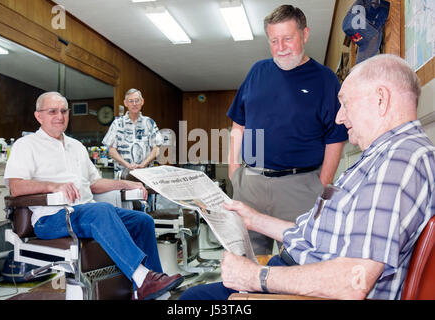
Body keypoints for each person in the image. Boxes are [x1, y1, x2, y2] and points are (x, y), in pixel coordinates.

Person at [181, 54, 435, 300]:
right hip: (298, 273)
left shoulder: (399, 161)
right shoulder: (385, 156)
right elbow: (321, 238)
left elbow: (353, 280)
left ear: (381, 99)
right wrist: (253, 219)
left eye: (345, 104)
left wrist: (255, 276)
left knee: (192, 299)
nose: (339, 116)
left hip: (304, 290)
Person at [4, 91, 183, 300]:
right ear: (38, 116)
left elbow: (94, 183)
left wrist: (124, 183)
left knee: (141, 221)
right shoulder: (26, 146)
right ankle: (143, 278)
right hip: (51, 218)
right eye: (52, 111)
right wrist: (53, 186)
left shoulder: (76, 146)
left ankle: (154, 291)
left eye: (63, 111)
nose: (59, 116)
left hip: (84, 212)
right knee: (101, 210)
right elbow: (16, 187)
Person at [227, 5, 348, 255]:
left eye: (288, 38)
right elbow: (238, 124)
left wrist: (320, 186)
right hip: (251, 183)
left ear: (304, 35)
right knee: (246, 259)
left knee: (295, 265)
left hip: (300, 186)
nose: (281, 47)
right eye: (274, 40)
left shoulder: (325, 79)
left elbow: (335, 139)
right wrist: (233, 171)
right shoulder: (257, 72)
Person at [102, 88, 163, 179]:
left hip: (146, 175)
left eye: (136, 100)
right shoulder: (117, 123)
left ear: (142, 101)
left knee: (145, 193)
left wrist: (143, 164)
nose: (134, 104)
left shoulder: (149, 122)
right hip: (123, 176)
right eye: (130, 101)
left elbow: (156, 148)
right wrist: (127, 165)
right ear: (125, 103)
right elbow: (111, 150)